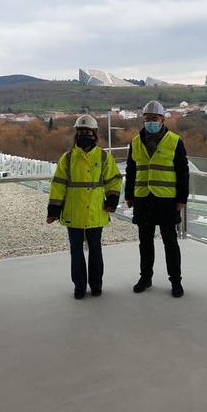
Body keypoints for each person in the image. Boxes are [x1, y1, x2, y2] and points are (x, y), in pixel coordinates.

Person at [47, 114, 122, 299]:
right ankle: (79, 287)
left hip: (96, 212)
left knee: (95, 250)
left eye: (87, 131)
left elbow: (114, 181)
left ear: (94, 134)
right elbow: (58, 185)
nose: (83, 135)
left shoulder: (104, 157)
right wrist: (53, 211)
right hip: (74, 213)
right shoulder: (68, 158)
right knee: (76, 251)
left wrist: (112, 201)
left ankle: (96, 285)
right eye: (80, 132)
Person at [125, 101, 189, 298]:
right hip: (143, 199)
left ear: (162, 119)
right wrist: (129, 195)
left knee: (170, 242)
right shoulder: (136, 142)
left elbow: (183, 172)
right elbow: (131, 170)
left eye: (154, 119)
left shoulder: (174, 141)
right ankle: (146, 278)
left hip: (167, 201)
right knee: (145, 242)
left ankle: (176, 281)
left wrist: (181, 199)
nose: (150, 122)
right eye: (147, 119)